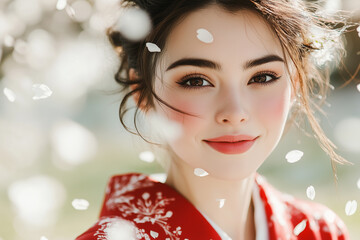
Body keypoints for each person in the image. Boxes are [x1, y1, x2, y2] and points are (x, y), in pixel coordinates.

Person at [76, 0, 353, 239]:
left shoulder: (320, 233)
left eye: (262, 77)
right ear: (142, 91)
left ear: (294, 81)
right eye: (196, 81)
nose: (234, 112)